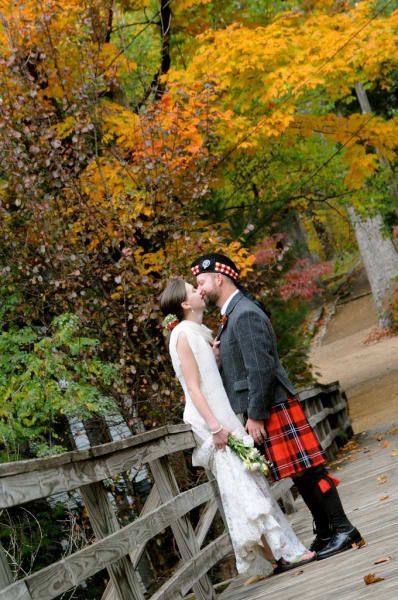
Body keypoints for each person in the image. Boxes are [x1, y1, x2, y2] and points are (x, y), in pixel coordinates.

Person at [191, 253, 365, 560]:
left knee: (310, 470)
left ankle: (343, 528)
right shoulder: (232, 315)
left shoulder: (243, 313)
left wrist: (256, 414)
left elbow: (262, 368)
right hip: (268, 404)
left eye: (201, 281)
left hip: (272, 404)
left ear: (219, 277)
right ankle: (326, 531)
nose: (200, 289)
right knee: (300, 472)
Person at [159, 278, 315, 578]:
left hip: (223, 416)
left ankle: (276, 555)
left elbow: (205, 376)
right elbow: (192, 388)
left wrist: (214, 358)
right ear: (184, 304)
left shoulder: (195, 332)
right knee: (245, 487)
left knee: (249, 485)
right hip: (213, 422)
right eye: (193, 291)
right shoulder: (182, 335)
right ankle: (285, 552)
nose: (199, 291)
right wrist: (215, 427)